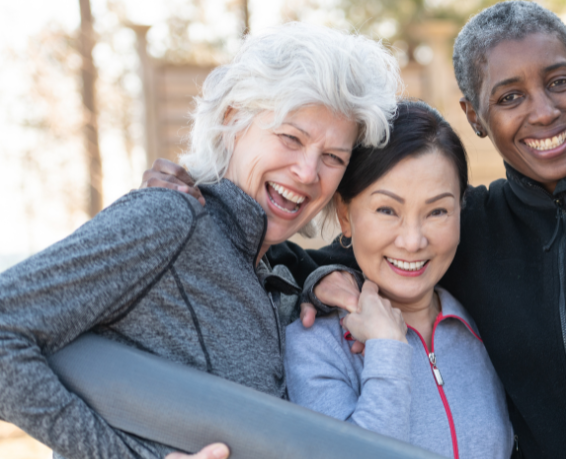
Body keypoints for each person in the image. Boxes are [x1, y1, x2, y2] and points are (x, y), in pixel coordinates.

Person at [144, 2, 566, 458]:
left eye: (561, 81)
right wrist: (202, 205)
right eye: (510, 95)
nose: (545, 111)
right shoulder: (465, 227)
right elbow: (288, 250)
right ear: (474, 115)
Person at [0, 22, 400, 459]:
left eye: (332, 157)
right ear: (233, 120)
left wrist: (314, 278)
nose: (307, 172)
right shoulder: (169, 217)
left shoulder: (272, 271)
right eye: (290, 138)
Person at [284, 100, 514, 459]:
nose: (412, 241)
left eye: (437, 211)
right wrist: (387, 347)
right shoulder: (315, 344)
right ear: (345, 215)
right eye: (387, 210)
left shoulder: (481, 323)